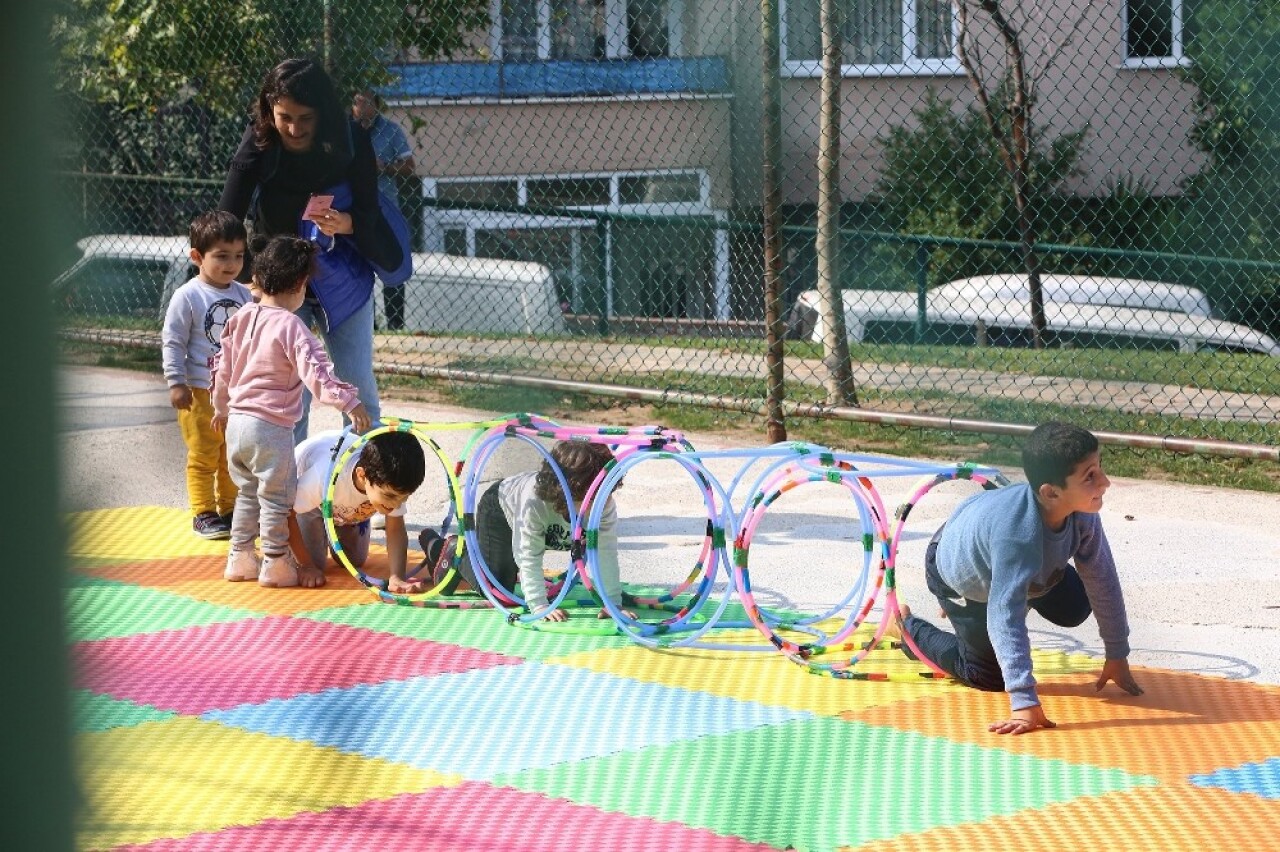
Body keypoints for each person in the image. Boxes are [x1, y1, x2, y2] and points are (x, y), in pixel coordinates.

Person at [896, 421, 1144, 735]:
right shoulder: (1017, 538)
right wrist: (1024, 702)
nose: (1105, 482)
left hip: (993, 543)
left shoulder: (1083, 513)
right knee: (988, 677)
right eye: (1090, 477)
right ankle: (907, 628)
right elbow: (1004, 617)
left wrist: (1117, 653)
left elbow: (1103, 579)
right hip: (957, 572)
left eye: (1100, 468)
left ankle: (1001, 593)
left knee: (1076, 605)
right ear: (1051, 493)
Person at [219, 58, 403, 444]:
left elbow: (370, 210)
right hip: (280, 282)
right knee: (288, 396)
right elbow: (227, 219)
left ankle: (358, 489)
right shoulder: (260, 140)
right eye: (284, 116)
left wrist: (347, 223)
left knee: (357, 390)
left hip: (343, 277)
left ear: (323, 112)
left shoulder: (350, 138)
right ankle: (290, 494)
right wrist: (252, 278)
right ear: (270, 109)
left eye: (305, 118)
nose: (293, 128)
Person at [212, 236, 372, 588]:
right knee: (276, 496)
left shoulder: (241, 317)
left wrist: (220, 407)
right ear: (300, 286)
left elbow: (222, 366)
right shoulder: (291, 326)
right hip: (269, 427)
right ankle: (276, 561)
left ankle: (239, 557)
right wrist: (349, 401)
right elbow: (317, 373)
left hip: (236, 422)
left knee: (247, 492)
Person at [420, 441, 636, 620]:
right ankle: (452, 550)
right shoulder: (534, 503)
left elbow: (605, 552)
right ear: (569, 492)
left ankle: (479, 557)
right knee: (501, 591)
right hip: (500, 510)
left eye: (607, 491)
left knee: (508, 577)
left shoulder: (604, 504)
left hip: (536, 518)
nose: (603, 500)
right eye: (594, 495)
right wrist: (539, 606)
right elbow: (528, 555)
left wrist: (612, 602)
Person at [161, 210, 253, 540]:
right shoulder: (188, 295)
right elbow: (173, 340)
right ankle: (203, 512)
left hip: (236, 393)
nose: (232, 264)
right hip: (200, 391)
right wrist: (176, 382)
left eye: (239, 256)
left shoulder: (243, 295)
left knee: (232, 455)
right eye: (222, 256)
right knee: (203, 454)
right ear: (197, 256)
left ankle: (230, 509)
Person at [289, 430, 426, 591]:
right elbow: (287, 514)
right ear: (362, 475)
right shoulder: (324, 475)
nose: (396, 505)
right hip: (311, 503)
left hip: (346, 508)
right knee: (315, 564)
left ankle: (340, 521)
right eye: (390, 496)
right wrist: (306, 565)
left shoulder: (392, 483)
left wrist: (397, 577)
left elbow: (395, 528)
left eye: (404, 497)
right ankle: (318, 527)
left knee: (355, 560)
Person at [351, 88, 415, 331]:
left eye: (367, 102)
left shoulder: (391, 131)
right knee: (359, 266)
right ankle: (368, 324)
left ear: (376, 106)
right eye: (358, 102)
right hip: (355, 208)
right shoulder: (346, 131)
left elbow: (409, 166)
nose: (362, 107)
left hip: (385, 208)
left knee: (391, 263)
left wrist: (384, 166)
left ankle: (395, 323)